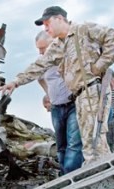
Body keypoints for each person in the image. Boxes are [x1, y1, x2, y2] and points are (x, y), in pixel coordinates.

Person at [0, 6, 114, 165]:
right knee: (90, 144)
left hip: (92, 90)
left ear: (59, 18)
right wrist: (16, 82)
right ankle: (103, 177)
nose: (46, 28)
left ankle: (104, 179)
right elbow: (39, 65)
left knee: (94, 142)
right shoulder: (58, 45)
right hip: (79, 96)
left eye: (47, 23)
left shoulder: (83, 29)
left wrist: (99, 66)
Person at [36, 31, 83, 175]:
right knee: (61, 145)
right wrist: (48, 94)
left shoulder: (67, 55)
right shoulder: (42, 61)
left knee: (74, 143)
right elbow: (39, 78)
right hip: (56, 107)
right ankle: (64, 176)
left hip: (73, 104)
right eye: (38, 49)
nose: (40, 52)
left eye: (42, 48)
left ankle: (71, 177)